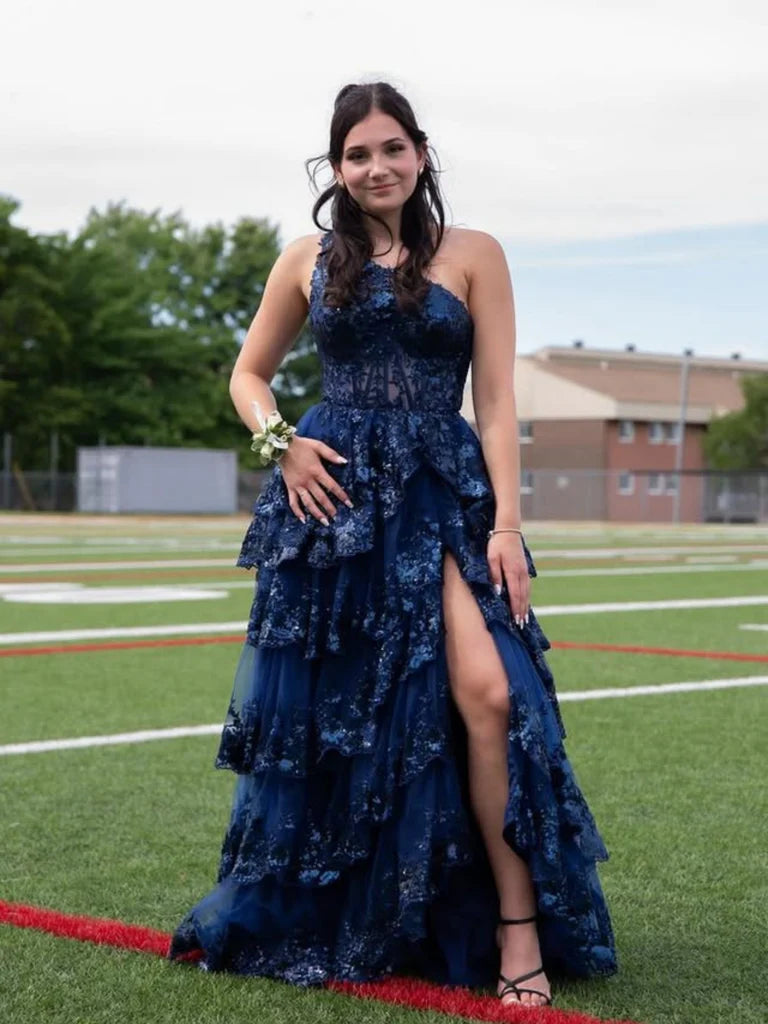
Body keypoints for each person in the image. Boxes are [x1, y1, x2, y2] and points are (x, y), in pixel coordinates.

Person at [168, 80, 617, 1010]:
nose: (376, 168)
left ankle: (517, 928)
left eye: (391, 149)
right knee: (349, 717)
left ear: (420, 154)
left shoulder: (476, 254)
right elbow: (249, 375)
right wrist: (280, 443)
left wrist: (505, 522)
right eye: (356, 154)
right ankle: (366, 912)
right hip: (333, 505)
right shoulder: (305, 258)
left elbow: (495, 403)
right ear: (335, 167)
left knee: (490, 694)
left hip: (443, 494)